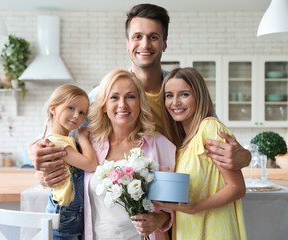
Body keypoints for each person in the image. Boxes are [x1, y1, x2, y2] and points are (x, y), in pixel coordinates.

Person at [28, 4, 251, 185]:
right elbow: (59, 132)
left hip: (180, 199)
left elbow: (219, 140)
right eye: (137, 37)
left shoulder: (182, 94)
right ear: (127, 44)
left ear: (164, 44)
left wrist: (245, 157)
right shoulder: (103, 95)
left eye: (153, 37)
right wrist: (33, 150)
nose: (145, 44)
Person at [154, 67, 247, 240]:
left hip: (214, 232)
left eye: (184, 94)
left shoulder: (210, 128)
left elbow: (237, 188)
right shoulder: (181, 143)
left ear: (199, 96)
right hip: (188, 231)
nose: (175, 103)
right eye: (169, 95)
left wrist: (196, 207)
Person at [85, 69, 175, 239]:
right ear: (104, 105)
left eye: (130, 97)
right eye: (114, 97)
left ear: (140, 103)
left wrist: (159, 218)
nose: (122, 104)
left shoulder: (160, 145)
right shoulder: (88, 145)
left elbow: (173, 205)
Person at [42, 84, 98, 239]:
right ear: (53, 109)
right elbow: (91, 164)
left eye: (82, 112)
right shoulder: (59, 143)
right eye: (71, 108)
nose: (76, 116)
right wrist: (83, 138)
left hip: (70, 215)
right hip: (65, 216)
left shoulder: (65, 140)